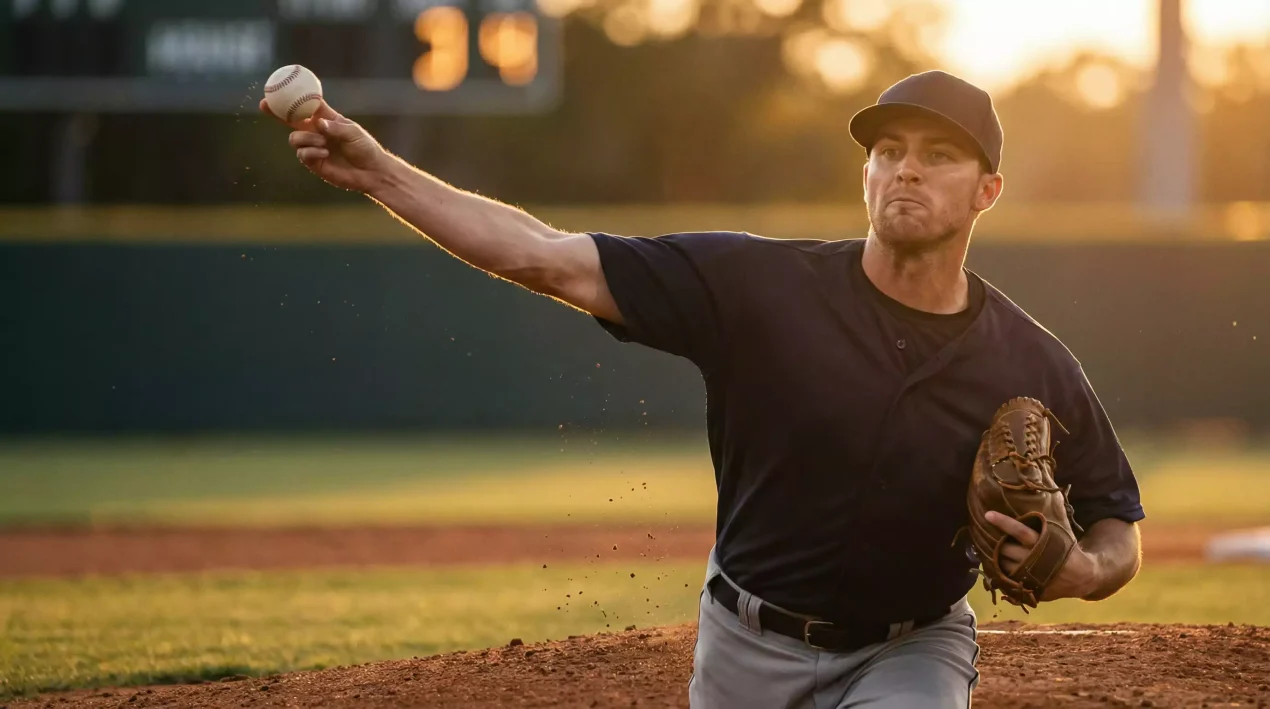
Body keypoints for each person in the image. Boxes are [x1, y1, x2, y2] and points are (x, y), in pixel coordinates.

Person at [262, 69, 1144, 708]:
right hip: (744, 646)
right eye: (888, 150)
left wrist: (1085, 566)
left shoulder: (1029, 359)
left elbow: (1117, 521)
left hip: (910, 649)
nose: (905, 169)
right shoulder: (758, 286)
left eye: (939, 155)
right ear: (866, 173)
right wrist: (376, 168)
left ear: (987, 190)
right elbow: (544, 256)